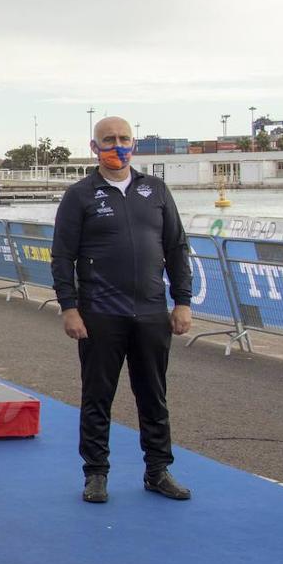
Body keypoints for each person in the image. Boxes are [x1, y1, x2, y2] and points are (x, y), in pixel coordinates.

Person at [52, 116, 193, 505]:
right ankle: (95, 474)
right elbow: (62, 257)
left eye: (124, 139)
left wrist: (182, 301)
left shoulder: (157, 190)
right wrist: (69, 307)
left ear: (135, 143)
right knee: (98, 397)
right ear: (94, 147)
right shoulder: (80, 195)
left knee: (154, 395)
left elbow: (177, 248)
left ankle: (158, 471)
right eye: (109, 140)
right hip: (99, 314)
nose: (118, 146)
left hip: (151, 313)